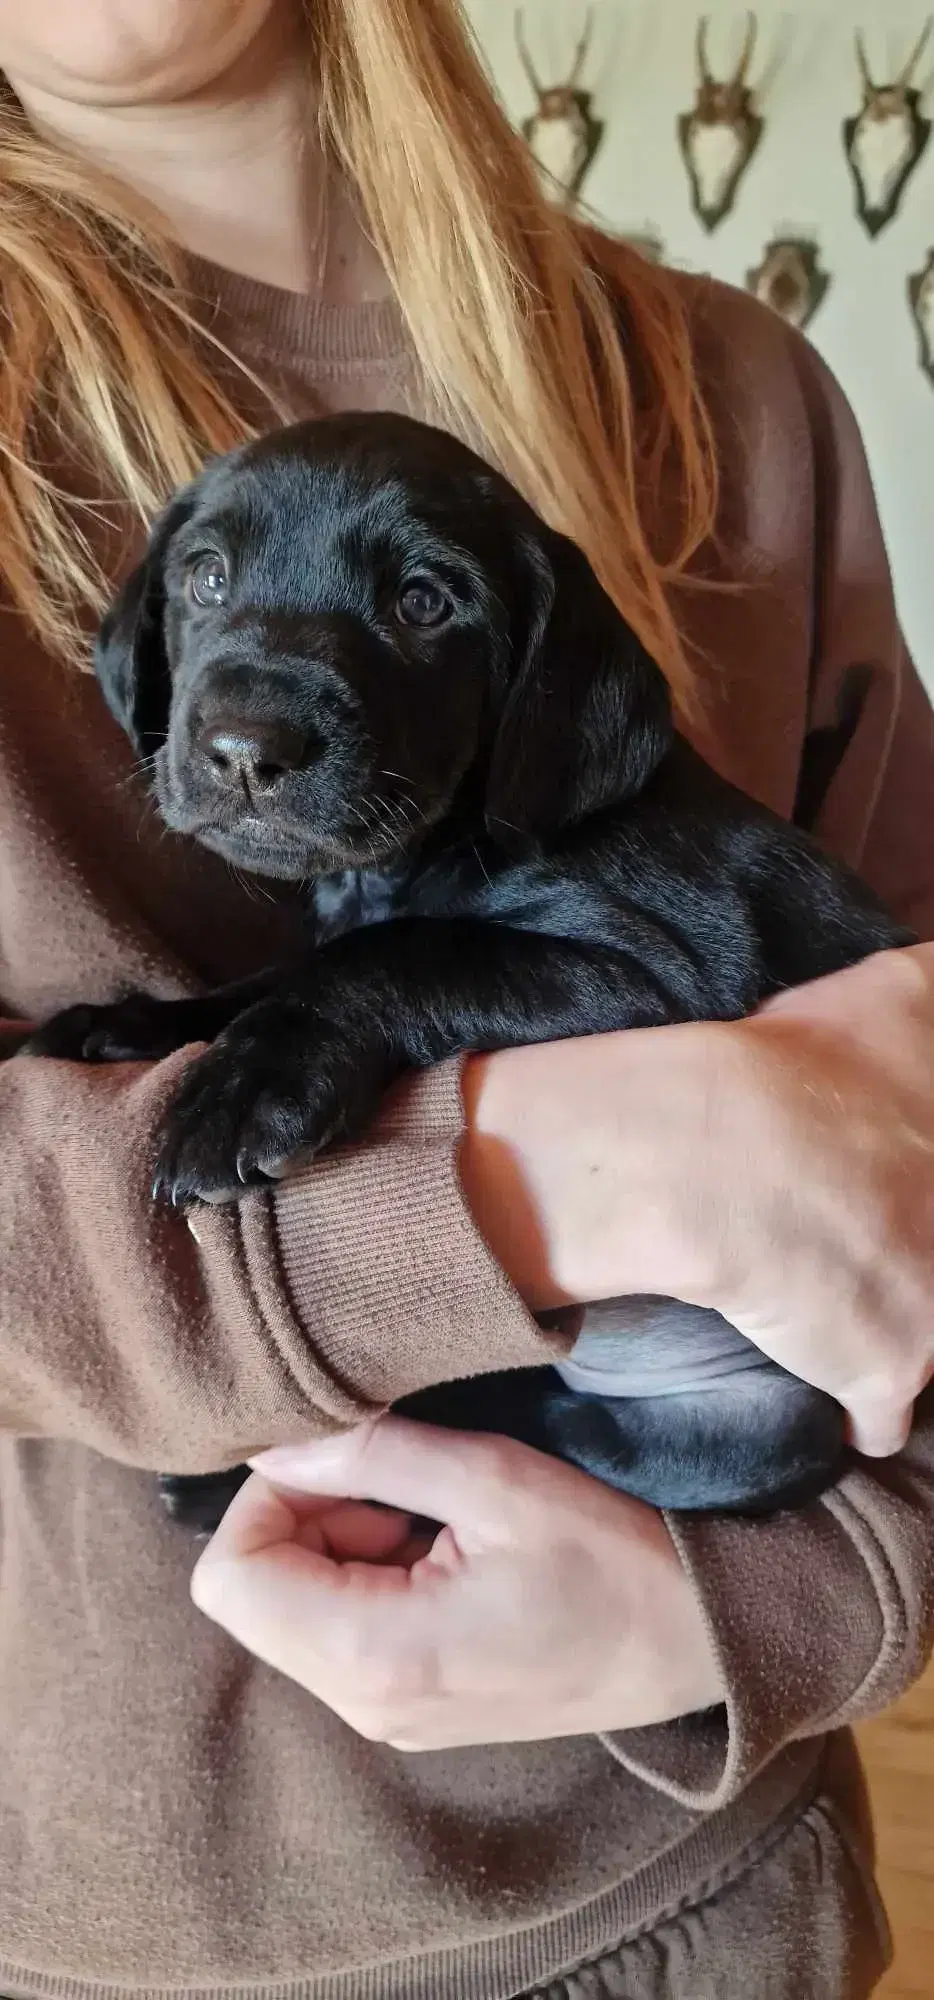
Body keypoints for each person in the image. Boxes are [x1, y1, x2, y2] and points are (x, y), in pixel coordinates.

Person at [0, 3, 931, 1997]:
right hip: (86, 1931)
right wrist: (592, 1162)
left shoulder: (728, 394)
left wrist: (788, 1592)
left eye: (414, 606)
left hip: (695, 1895)